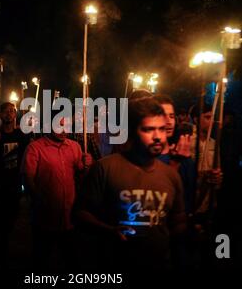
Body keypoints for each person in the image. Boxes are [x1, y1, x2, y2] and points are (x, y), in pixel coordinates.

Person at [75, 97, 186, 270]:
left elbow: (178, 222)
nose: (157, 137)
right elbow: (80, 214)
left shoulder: (171, 175)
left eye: (162, 129)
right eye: (148, 129)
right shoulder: (105, 168)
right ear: (133, 132)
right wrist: (108, 230)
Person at [21, 116, 93, 270]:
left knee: (72, 260)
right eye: (60, 126)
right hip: (44, 217)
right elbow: (27, 178)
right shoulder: (35, 148)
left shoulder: (75, 147)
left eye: (67, 126)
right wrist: (38, 200)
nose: (64, 130)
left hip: (69, 217)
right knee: (41, 259)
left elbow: (81, 175)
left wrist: (87, 165)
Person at [0, 102, 30, 265]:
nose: (9, 114)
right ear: (0, 115)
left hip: (15, 183)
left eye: (12, 111)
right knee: (0, 217)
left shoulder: (21, 135)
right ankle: (1, 249)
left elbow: (28, 153)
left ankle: (4, 238)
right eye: (5, 111)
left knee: (13, 214)